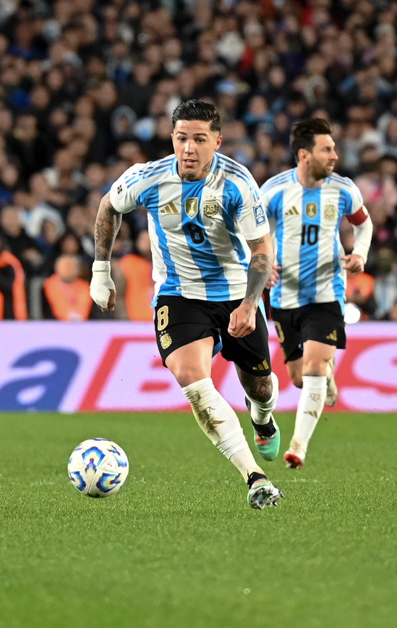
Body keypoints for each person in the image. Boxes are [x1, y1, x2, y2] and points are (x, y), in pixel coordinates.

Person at [92, 99, 282, 509]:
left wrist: (250, 304)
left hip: (234, 293)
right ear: (172, 139)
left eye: (199, 139)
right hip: (179, 294)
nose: (189, 148)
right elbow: (109, 204)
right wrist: (100, 271)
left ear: (217, 140)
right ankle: (256, 478)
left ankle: (263, 418)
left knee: (261, 387)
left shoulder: (238, 183)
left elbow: (261, 247)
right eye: (181, 139)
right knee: (194, 382)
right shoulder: (149, 177)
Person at [259, 117, 370, 469]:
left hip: (327, 293)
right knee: (297, 377)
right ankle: (325, 376)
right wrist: (260, 265)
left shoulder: (343, 189)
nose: (335, 155)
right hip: (284, 297)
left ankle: (298, 447)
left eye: (334, 148)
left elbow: (363, 223)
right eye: (327, 149)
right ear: (304, 155)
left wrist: (360, 255)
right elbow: (251, 233)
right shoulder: (273, 191)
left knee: (315, 365)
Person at [43, 254, 92, 321]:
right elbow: (59, 306)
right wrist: (69, 316)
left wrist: (78, 316)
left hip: (81, 324)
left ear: (78, 269)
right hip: (56, 324)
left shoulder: (84, 286)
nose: (68, 269)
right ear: (57, 268)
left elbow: (84, 306)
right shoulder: (51, 283)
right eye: (65, 266)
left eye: (71, 266)